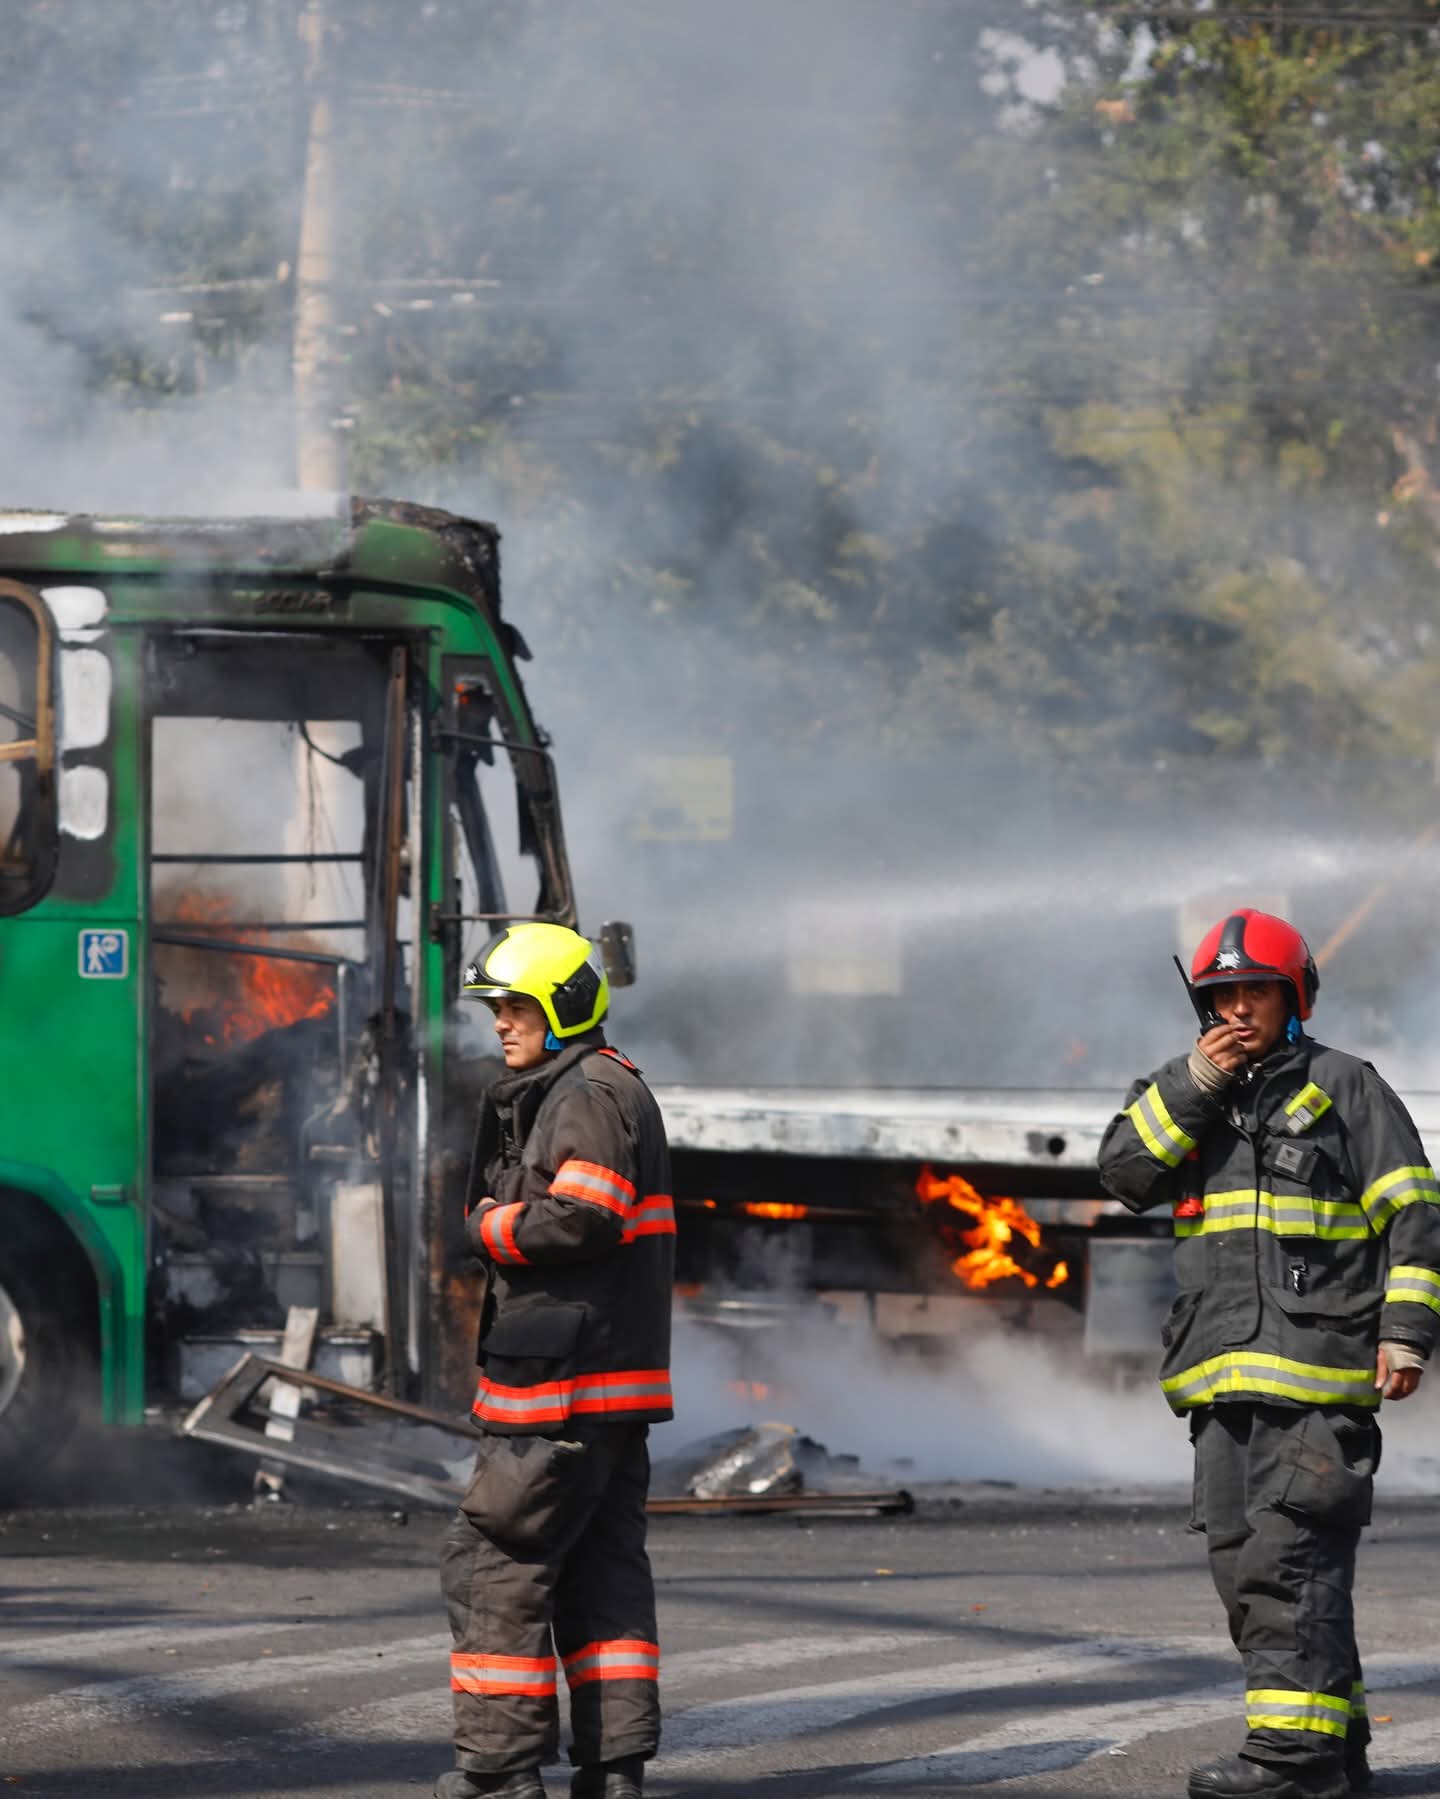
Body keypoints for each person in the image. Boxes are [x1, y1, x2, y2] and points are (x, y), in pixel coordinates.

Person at [1099, 908, 1440, 1799]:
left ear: (1295, 999)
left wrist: (1405, 1331)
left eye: (1258, 991)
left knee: (1285, 1566)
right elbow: (1125, 1173)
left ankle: (1294, 1760)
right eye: (1224, 994)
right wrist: (1197, 1082)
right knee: (1247, 1572)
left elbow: (1414, 1214)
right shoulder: (1184, 1092)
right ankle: (1336, 1743)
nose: (1239, 1008)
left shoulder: (1345, 1087)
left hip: (1318, 1382)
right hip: (1220, 1385)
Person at [435, 922, 675, 1799]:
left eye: (516, 1007)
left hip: (559, 1389)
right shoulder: (605, 1085)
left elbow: (583, 1216)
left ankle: (500, 1772)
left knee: (493, 1563)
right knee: (601, 1573)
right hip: (603, 1387)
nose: (500, 1022)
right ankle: (613, 1769)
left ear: (565, 1006)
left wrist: (487, 1225)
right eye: (496, 1007)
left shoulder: (584, 1095)